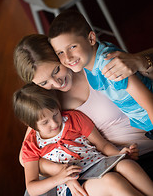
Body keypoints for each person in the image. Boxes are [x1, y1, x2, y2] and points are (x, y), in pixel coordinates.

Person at [14, 34, 153, 180]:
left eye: (56, 71)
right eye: (44, 83)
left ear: (60, 55)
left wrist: (141, 63)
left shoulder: (92, 63)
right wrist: (61, 169)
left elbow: (146, 85)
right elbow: (24, 158)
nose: (56, 83)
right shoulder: (48, 103)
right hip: (121, 164)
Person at [13, 83, 153, 196]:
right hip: (76, 185)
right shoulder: (31, 145)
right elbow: (32, 188)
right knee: (112, 181)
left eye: (55, 114)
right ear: (30, 124)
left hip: (100, 164)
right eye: (45, 122)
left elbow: (103, 145)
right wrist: (60, 178)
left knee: (127, 165)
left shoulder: (73, 118)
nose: (55, 123)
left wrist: (119, 154)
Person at [48, 10, 153, 138]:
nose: (68, 58)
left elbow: (149, 103)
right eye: (60, 52)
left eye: (72, 47)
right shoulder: (87, 63)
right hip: (145, 124)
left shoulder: (108, 64)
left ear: (91, 39)